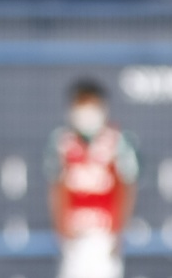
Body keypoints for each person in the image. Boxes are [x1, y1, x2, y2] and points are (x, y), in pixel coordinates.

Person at [45, 78, 139, 278]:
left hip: (104, 236)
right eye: (81, 104)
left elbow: (127, 186)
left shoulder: (118, 141)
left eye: (91, 104)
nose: (86, 111)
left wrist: (119, 232)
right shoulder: (62, 142)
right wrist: (61, 229)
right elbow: (57, 186)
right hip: (74, 236)